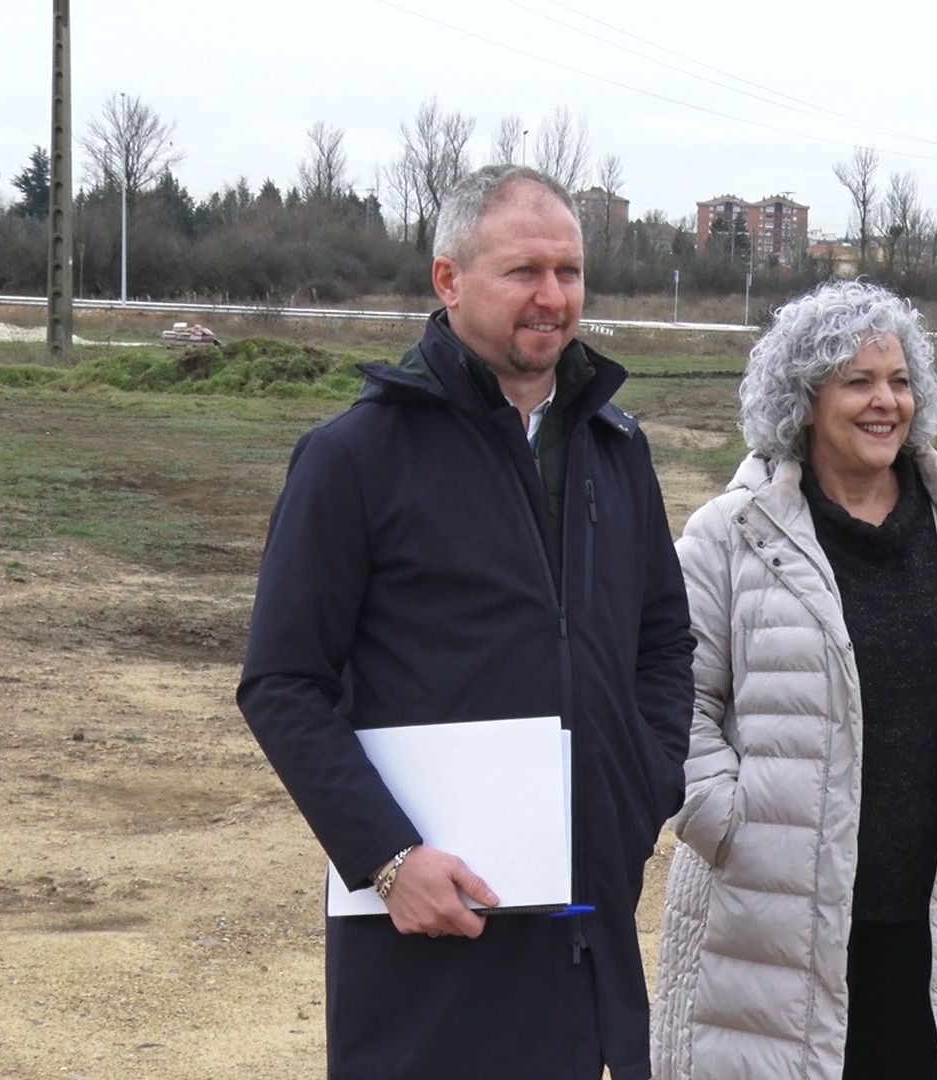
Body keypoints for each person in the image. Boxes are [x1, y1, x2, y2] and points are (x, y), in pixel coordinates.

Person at [238, 164, 695, 1079]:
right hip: (430, 929)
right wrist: (387, 858)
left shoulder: (616, 450)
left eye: (568, 272)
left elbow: (662, 641)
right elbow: (283, 684)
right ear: (449, 281)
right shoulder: (353, 458)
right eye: (524, 271)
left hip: (586, 919)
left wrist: (643, 786)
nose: (553, 297)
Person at [649, 280, 937, 1079]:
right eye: (859, 382)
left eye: (900, 381)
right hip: (779, 921)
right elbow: (676, 700)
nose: (887, 402)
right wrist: (724, 819)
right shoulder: (729, 536)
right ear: (803, 400)